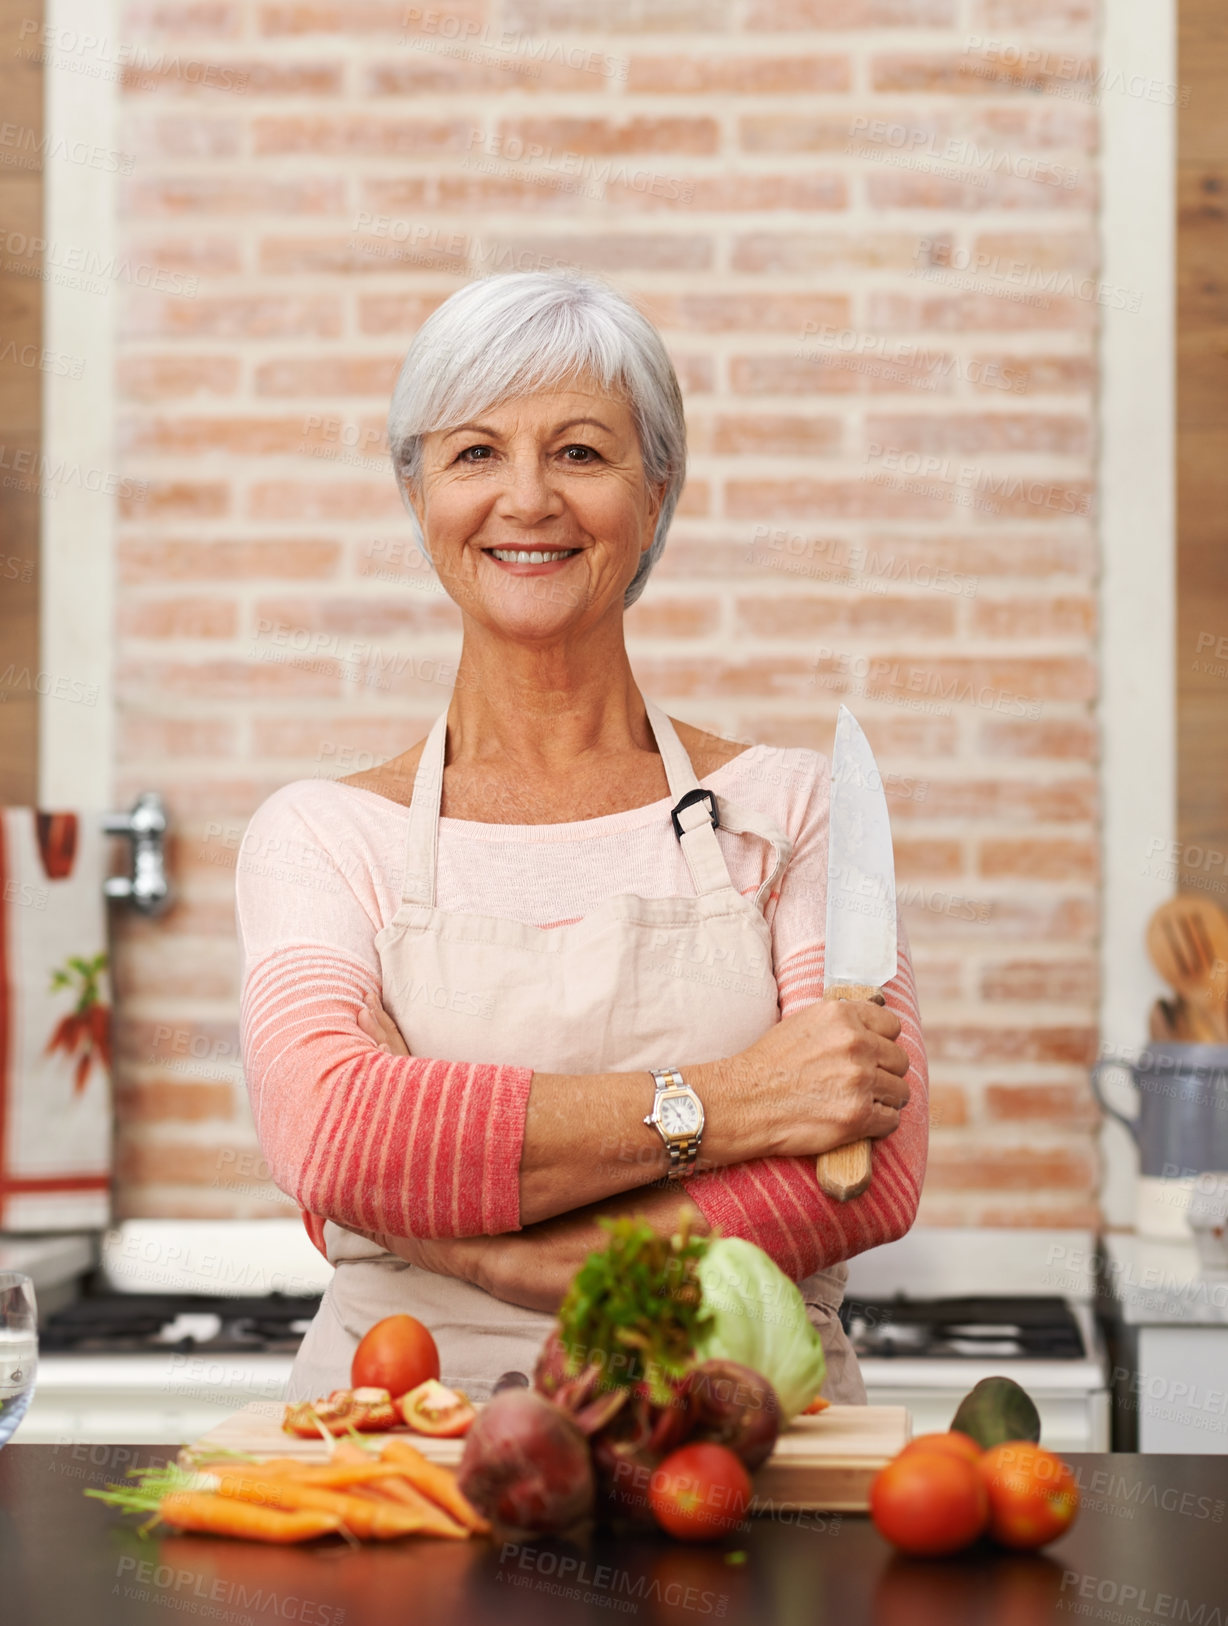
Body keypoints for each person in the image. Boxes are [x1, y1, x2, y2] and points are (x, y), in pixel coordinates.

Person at [235, 271, 927, 1406]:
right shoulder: (321, 835)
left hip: (740, 1455)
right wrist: (742, 1098)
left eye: (580, 453)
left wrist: (501, 1249)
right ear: (417, 496)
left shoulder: (793, 811)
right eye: (473, 454)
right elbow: (335, 1132)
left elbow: (868, 1169)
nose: (527, 500)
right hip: (406, 1457)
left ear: (654, 493)